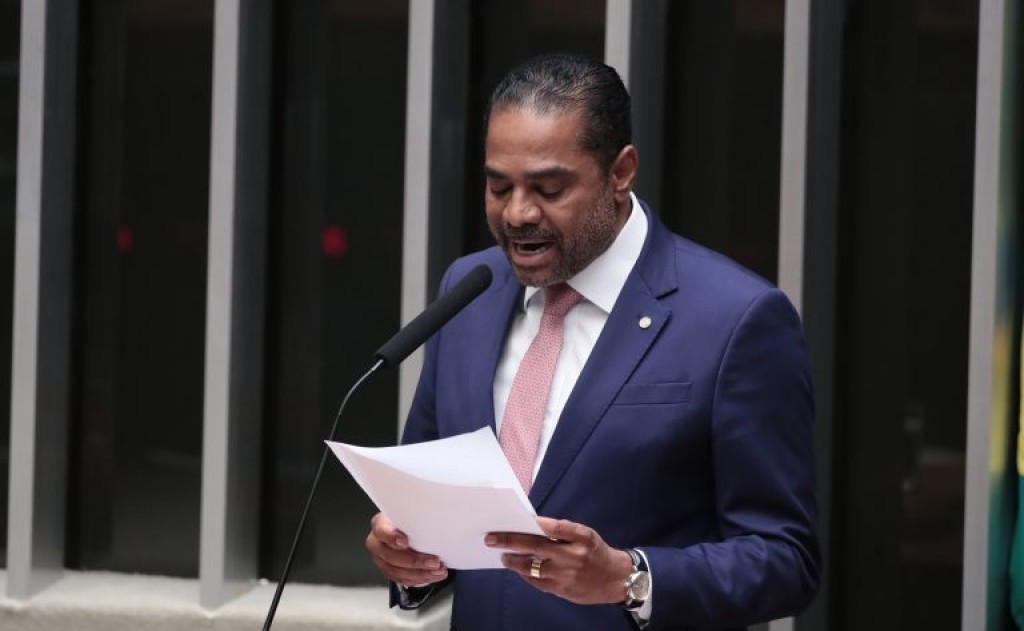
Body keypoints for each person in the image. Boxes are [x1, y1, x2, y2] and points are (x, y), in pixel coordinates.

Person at [364, 52, 820, 630]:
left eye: (549, 188)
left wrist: (630, 578)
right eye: (499, 186)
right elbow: (430, 506)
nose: (518, 213)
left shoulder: (737, 318)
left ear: (620, 171)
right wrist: (407, 558)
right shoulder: (468, 290)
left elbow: (786, 560)